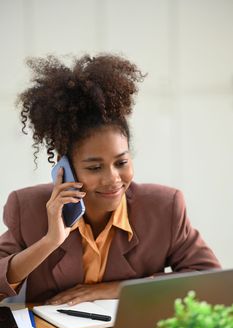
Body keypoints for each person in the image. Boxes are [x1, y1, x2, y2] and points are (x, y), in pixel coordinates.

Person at [0, 54, 221, 304]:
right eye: (95, 167)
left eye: (121, 163)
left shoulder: (164, 207)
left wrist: (119, 289)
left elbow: (210, 280)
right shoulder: (28, 208)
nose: (113, 179)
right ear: (67, 168)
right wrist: (50, 241)